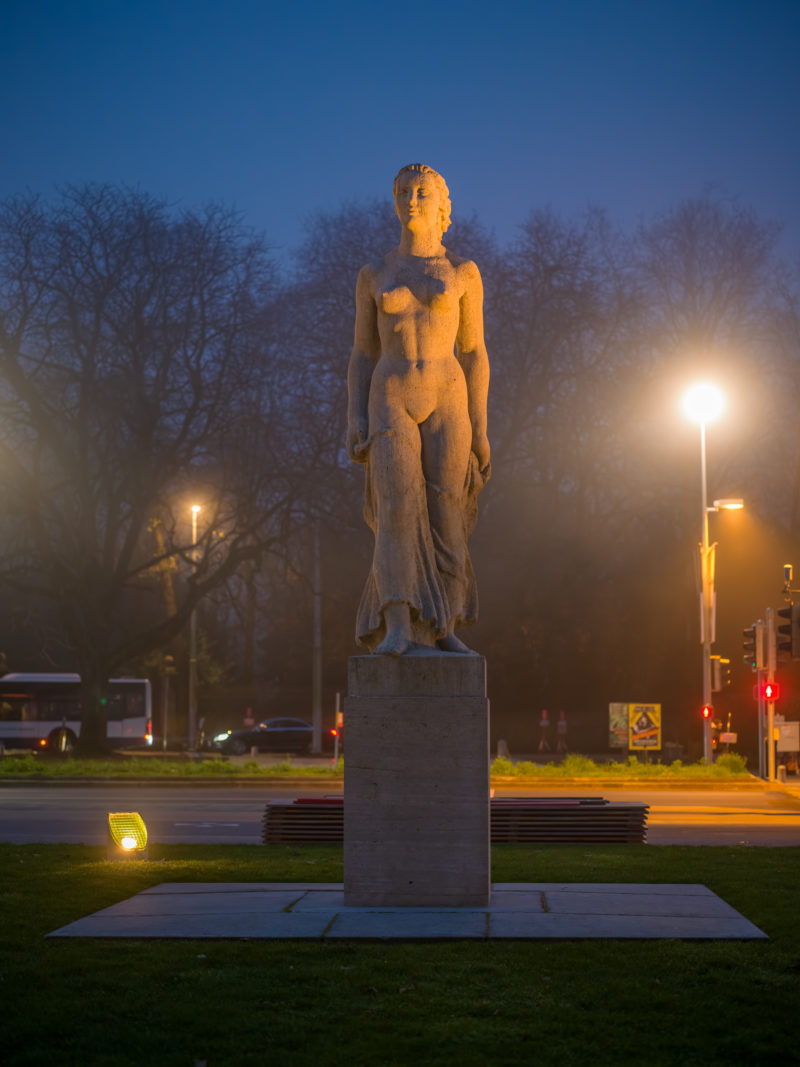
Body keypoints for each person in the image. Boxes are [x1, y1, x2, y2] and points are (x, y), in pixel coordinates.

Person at [346, 164, 490, 656]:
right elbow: (362, 353)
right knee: (397, 511)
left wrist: (483, 429)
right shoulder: (375, 274)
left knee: (448, 515)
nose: (411, 199)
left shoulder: (462, 273)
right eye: (402, 191)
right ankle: (398, 626)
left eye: (421, 192)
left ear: (440, 204)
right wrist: (355, 415)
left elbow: (473, 352)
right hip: (390, 395)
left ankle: (443, 623)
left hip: (448, 398)